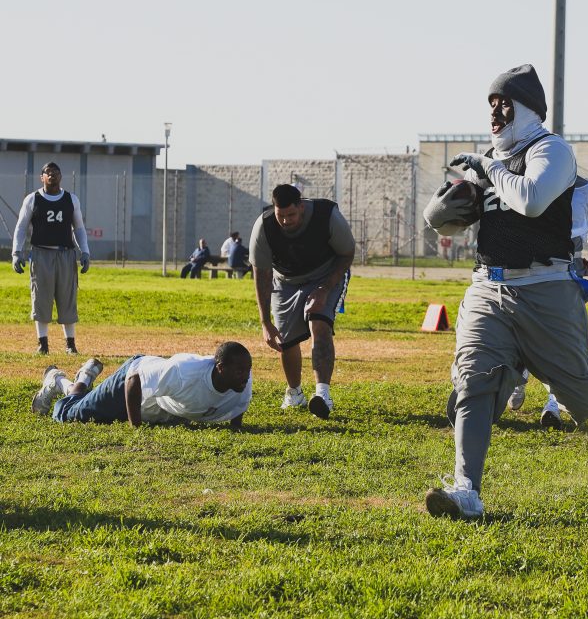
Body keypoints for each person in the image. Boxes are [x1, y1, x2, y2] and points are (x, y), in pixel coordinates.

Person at [422, 63, 588, 519]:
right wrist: (445, 201)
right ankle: (467, 489)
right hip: (488, 287)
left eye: (503, 103)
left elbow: (530, 199)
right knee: (473, 380)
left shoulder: (552, 150)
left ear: (526, 107)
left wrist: (488, 167)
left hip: (546, 288)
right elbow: (440, 221)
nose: (495, 112)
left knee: (582, 400)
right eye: (490, 104)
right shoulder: (490, 159)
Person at [506, 174, 588, 429]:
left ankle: (553, 405)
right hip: (531, 270)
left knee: (563, 342)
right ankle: (519, 377)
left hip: (568, 272)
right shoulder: (534, 186)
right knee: (523, 330)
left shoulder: (586, 190)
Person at [249, 183, 355, 419]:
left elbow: (347, 253)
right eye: (281, 216)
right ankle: (295, 392)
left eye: (291, 215)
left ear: (301, 207)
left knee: (319, 323)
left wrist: (324, 289)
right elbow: (262, 275)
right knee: (286, 341)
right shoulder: (264, 227)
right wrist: (265, 321)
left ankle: (322, 395)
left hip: (325, 275)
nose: (286, 221)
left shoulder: (327, 217)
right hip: (285, 280)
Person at [31, 341, 252, 428]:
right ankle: (59, 380)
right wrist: (135, 427)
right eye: (240, 370)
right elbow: (135, 378)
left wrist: (236, 429)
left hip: (156, 400)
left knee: (96, 411)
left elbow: (238, 404)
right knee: (72, 413)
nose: (245, 375)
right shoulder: (184, 372)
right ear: (220, 367)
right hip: (132, 379)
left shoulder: (243, 382)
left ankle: (85, 376)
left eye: (248, 369)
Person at [11, 161, 91, 355]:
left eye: (55, 172)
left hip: (66, 254)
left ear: (61, 176)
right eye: (48, 172)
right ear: (42, 177)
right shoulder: (32, 199)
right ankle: (42, 344)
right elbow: (21, 227)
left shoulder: (71, 199)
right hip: (41, 254)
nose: (52, 175)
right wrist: (16, 252)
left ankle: (70, 344)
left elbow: (78, 228)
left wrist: (85, 251)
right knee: (41, 299)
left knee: (67, 299)